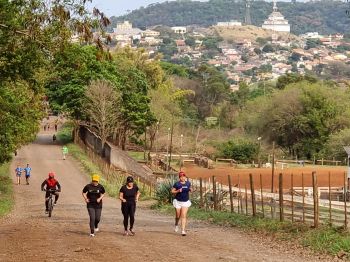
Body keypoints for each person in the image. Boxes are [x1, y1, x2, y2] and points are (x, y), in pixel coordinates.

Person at [171, 171, 192, 236]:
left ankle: (183, 230)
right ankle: (176, 225)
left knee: (183, 215)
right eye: (181, 177)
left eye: (184, 176)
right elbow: (172, 191)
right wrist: (177, 191)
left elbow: (190, 189)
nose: (183, 178)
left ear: (185, 177)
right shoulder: (177, 184)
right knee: (178, 215)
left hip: (185, 202)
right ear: (179, 177)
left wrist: (191, 190)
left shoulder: (188, 183)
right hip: (178, 202)